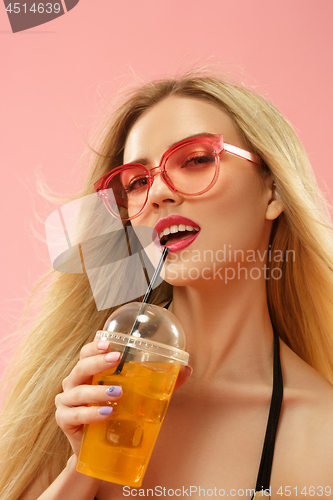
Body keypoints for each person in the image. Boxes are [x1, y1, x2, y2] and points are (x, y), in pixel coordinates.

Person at [1, 71, 333, 500]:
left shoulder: (320, 433)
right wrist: (84, 466)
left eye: (195, 159)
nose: (157, 192)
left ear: (273, 191)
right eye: (137, 182)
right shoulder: (82, 393)